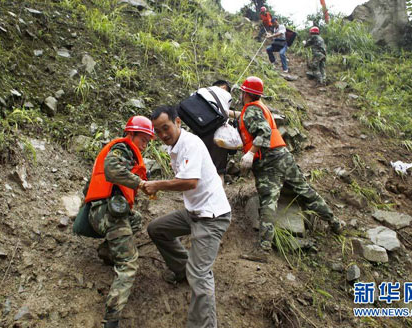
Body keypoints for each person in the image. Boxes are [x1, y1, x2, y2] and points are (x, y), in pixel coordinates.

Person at [144, 105, 231, 328]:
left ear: (178, 122)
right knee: (157, 229)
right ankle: (183, 270)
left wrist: (156, 185)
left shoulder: (190, 144)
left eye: (166, 128)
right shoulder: (175, 147)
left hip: (212, 216)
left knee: (200, 273)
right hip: (194, 212)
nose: (163, 135)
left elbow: (190, 182)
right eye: (158, 131)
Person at [237, 76, 343, 253]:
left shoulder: (250, 111)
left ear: (246, 93)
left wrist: (250, 153)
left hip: (267, 161)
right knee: (306, 191)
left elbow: (263, 131)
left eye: (242, 92)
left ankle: (263, 249)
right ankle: (335, 223)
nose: (240, 94)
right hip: (283, 156)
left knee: (268, 201)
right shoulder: (260, 107)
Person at [82, 116, 154, 328]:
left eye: (148, 141)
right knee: (128, 264)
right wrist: (140, 183)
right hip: (109, 214)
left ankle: (107, 252)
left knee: (137, 219)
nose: (145, 144)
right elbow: (113, 171)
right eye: (143, 139)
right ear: (130, 134)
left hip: (100, 212)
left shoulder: (121, 151)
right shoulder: (123, 148)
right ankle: (111, 320)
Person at [194, 80, 232, 180]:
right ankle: (218, 195)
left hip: (199, 130)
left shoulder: (200, 92)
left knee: (199, 168)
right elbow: (226, 113)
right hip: (217, 134)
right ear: (224, 87)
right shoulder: (225, 94)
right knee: (218, 171)